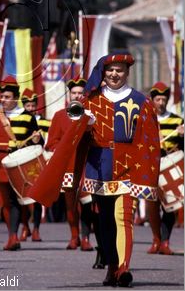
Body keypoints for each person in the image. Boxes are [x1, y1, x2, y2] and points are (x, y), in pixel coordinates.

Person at [30, 53, 160, 288]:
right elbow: (75, 135)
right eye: (110, 70)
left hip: (128, 168)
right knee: (105, 221)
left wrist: (147, 177)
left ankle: (123, 269)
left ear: (127, 72)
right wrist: (83, 125)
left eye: (119, 70)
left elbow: (149, 140)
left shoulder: (141, 102)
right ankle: (112, 265)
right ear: (104, 72)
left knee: (124, 218)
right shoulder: (90, 101)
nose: (114, 74)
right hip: (98, 167)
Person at [0, 76, 42, 250]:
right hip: (0, 165)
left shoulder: (27, 117)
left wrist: (37, 139)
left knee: (18, 200)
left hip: (20, 166)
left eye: (8, 97)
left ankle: (15, 236)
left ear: (16, 98)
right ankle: (12, 236)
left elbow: (37, 142)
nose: (3, 100)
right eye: (2, 97)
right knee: (7, 201)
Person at [45, 79, 94, 252]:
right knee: (70, 204)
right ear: (69, 95)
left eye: (80, 93)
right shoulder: (59, 115)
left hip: (87, 165)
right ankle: (74, 236)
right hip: (68, 167)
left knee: (87, 203)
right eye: (74, 93)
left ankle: (86, 237)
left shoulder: (91, 115)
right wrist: (64, 147)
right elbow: (51, 142)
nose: (77, 95)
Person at [146, 81, 184, 255]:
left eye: (164, 99)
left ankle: (166, 242)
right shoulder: (145, 119)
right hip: (150, 166)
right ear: (152, 100)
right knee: (152, 204)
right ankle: (156, 239)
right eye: (158, 99)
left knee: (170, 203)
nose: (161, 102)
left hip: (169, 166)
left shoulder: (177, 121)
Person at [19, 88, 50, 242]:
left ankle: (36, 229)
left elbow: (47, 140)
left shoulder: (43, 121)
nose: (31, 108)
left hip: (38, 161)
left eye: (33, 105)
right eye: (28, 105)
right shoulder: (19, 119)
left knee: (36, 197)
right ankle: (25, 227)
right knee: (23, 197)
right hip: (23, 160)